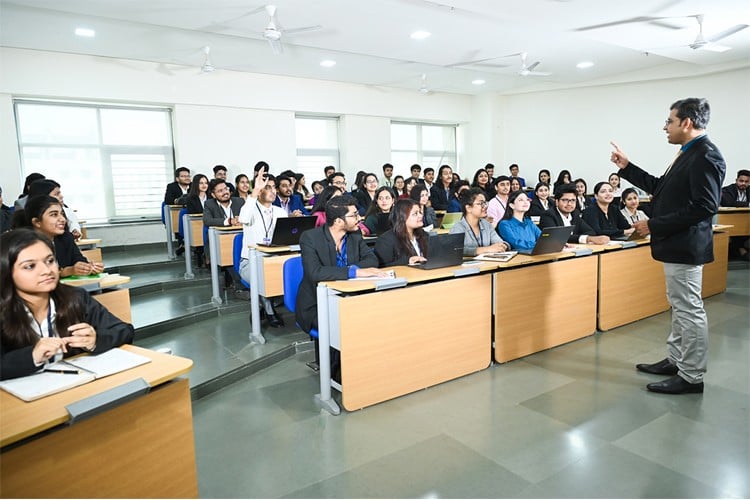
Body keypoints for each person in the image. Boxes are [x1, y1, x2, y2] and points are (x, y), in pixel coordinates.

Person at [610, 97, 725, 394]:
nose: (665, 127)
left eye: (669, 121)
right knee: (680, 306)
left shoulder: (706, 156)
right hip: (677, 244)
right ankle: (676, 359)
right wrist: (627, 167)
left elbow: (704, 207)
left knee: (689, 310)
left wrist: (653, 225)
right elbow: (661, 189)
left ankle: (691, 375)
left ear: (686, 123)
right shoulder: (688, 152)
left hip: (685, 246)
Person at [0, 228, 135, 380]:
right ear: (6, 272)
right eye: (30, 266)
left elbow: (124, 330)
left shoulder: (76, 297)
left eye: (50, 261)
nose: (46, 270)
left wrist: (96, 340)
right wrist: (31, 356)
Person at [296, 195, 386, 376]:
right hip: (316, 304)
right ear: (338, 221)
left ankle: (366, 369)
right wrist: (354, 272)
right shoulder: (310, 238)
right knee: (344, 326)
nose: (359, 218)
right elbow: (315, 273)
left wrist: (355, 270)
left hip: (348, 298)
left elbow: (371, 259)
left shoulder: (354, 235)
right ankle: (336, 376)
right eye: (354, 215)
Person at [237, 171, 289, 333]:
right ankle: (269, 310)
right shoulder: (250, 208)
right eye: (267, 187)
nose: (273, 191)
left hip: (274, 260)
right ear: (259, 190)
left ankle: (261, 305)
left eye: (274, 187)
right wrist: (254, 191)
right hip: (250, 262)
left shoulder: (280, 212)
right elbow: (242, 219)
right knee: (263, 279)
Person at [20, 195, 103, 278]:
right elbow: (32, 276)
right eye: (54, 215)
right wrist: (65, 272)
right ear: (37, 222)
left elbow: (79, 260)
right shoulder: (25, 245)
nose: (63, 219)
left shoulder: (66, 238)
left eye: (62, 214)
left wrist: (88, 267)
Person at [540, 184, 609, 244]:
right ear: (557, 202)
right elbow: (556, 237)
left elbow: (590, 231)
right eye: (565, 200)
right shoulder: (548, 215)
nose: (569, 204)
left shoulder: (575, 213)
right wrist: (587, 239)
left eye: (573, 200)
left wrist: (575, 238)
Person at [449, 188, 509, 256]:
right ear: (468, 208)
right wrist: (487, 249)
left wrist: (503, 246)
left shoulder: (486, 224)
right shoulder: (458, 228)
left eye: (485, 203)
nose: (485, 206)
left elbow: (499, 242)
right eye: (481, 203)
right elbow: (456, 249)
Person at [374, 199, 428, 267]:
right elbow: (382, 267)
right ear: (402, 217)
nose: (420, 216)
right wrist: (407, 261)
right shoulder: (386, 241)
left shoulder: (424, 235)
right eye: (415, 214)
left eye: (420, 212)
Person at [720, 169, 750, 260]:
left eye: (746, 182)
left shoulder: (749, 190)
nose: (743, 183)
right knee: (737, 227)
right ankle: (740, 249)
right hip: (729, 219)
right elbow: (729, 202)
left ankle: (739, 249)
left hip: (745, 220)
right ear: (736, 180)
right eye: (741, 181)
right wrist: (748, 204)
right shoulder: (728, 190)